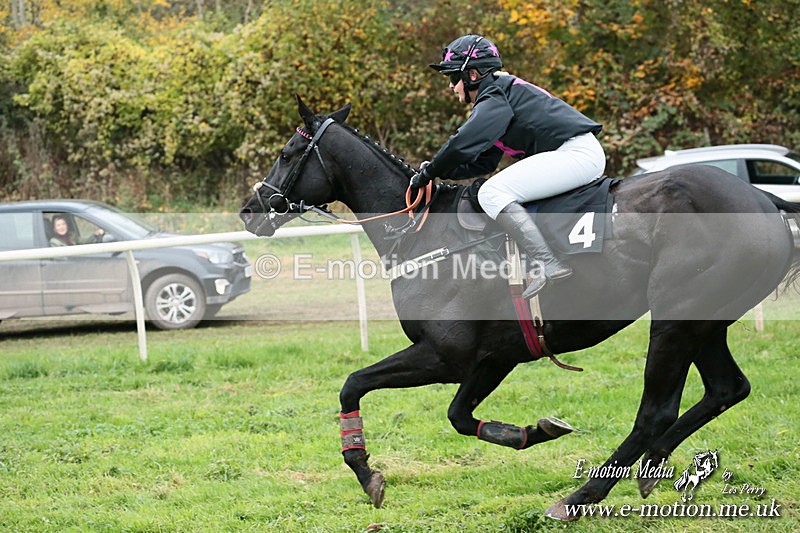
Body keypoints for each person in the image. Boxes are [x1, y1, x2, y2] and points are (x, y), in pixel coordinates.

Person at [411, 34, 605, 298]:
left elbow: (461, 144)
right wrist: (439, 172)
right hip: (576, 153)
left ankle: (548, 263)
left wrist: (428, 172)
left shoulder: (495, 96)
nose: (451, 86)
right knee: (494, 187)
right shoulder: (499, 95)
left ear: (474, 75)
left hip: (576, 154)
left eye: (454, 77)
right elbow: (484, 162)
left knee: (491, 193)